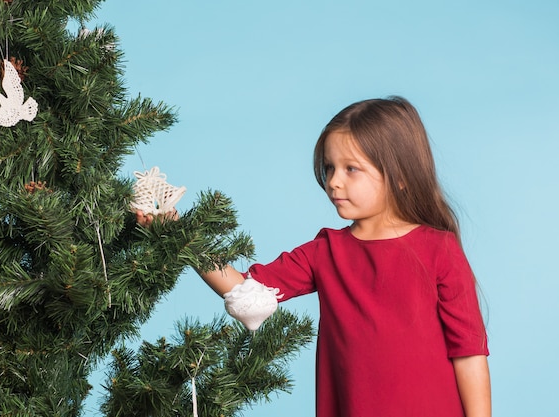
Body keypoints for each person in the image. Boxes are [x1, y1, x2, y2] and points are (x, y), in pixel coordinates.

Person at [137, 96, 491, 417]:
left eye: (351, 168)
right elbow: (248, 298)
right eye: (330, 168)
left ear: (399, 175)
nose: (334, 182)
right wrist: (180, 239)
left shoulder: (439, 249)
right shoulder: (326, 251)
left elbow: (469, 355)